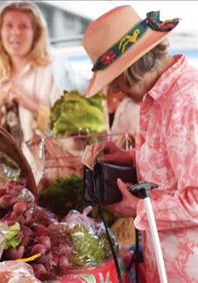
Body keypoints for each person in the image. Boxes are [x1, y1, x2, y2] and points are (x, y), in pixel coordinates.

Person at [82, 5, 198, 282]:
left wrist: (138, 208)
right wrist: (131, 158)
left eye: (113, 81)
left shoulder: (187, 102)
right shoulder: (158, 96)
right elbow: (175, 165)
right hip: (163, 262)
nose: (114, 90)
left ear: (130, 70)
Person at [0, 1, 64, 183]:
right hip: (6, 181)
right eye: (8, 26)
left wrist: (30, 104)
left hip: (47, 178)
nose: (15, 33)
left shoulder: (51, 71)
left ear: (36, 33)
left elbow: (68, 129)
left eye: (23, 26)